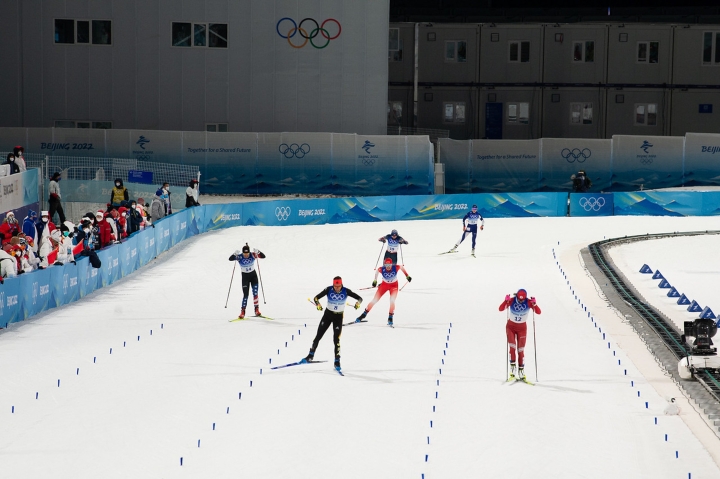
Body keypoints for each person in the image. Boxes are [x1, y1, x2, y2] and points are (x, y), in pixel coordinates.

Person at [303, 276, 363, 372]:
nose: (337, 288)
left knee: (336, 340)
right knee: (318, 335)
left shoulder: (346, 291)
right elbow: (316, 298)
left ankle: (337, 361)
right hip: (327, 315)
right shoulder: (328, 289)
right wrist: (318, 304)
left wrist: (357, 304)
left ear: (341, 285)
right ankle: (310, 355)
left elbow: (360, 298)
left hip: (338, 318)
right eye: (335, 286)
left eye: (338, 286)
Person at [499, 288, 541, 380]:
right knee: (512, 347)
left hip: (522, 329)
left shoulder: (529, 302)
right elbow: (500, 309)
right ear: (517, 296)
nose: (521, 301)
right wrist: (505, 301)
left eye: (523, 299)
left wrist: (535, 304)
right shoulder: (511, 300)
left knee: (520, 350)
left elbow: (538, 312)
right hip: (511, 327)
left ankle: (521, 371)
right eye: (519, 299)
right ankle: (513, 370)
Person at [355, 257, 411, 326]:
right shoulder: (382, 269)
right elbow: (377, 271)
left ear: (391, 264)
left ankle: (390, 317)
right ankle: (363, 314)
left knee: (392, 301)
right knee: (374, 300)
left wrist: (407, 276)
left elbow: (401, 267)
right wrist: (375, 280)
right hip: (384, 285)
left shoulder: (395, 267)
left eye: (389, 265)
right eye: (386, 265)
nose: (388, 267)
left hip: (394, 286)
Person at [229, 245, 266, 319]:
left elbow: (263, 256)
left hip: (253, 276)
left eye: (247, 253)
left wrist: (258, 252)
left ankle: (256, 310)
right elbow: (230, 259)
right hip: (245, 277)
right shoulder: (239, 257)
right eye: (244, 254)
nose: (246, 255)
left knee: (255, 293)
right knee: (245, 295)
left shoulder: (253, 255)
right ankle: (242, 311)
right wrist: (234, 254)